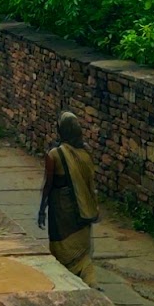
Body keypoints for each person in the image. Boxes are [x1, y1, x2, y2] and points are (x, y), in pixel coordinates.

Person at [37, 111, 100, 286]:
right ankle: (89, 281)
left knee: (63, 248)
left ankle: (67, 282)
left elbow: (48, 185)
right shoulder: (85, 152)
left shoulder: (55, 155)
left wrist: (42, 210)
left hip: (61, 210)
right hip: (82, 208)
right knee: (83, 254)